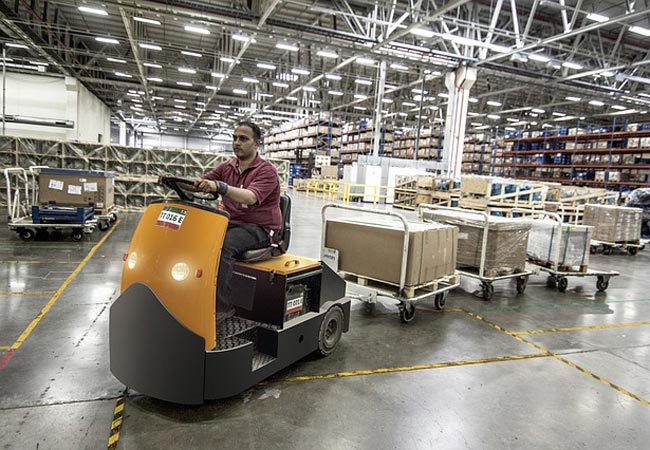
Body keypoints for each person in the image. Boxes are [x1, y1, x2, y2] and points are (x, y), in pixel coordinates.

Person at [162, 121, 282, 324]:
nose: (237, 143)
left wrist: (220, 187)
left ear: (257, 143)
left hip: (260, 228)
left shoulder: (266, 170)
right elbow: (200, 184)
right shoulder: (228, 166)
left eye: (243, 139)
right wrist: (174, 181)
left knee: (223, 246)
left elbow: (250, 197)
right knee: (196, 239)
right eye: (234, 138)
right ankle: (196, 293)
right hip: (231, 222)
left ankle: (223, 308)